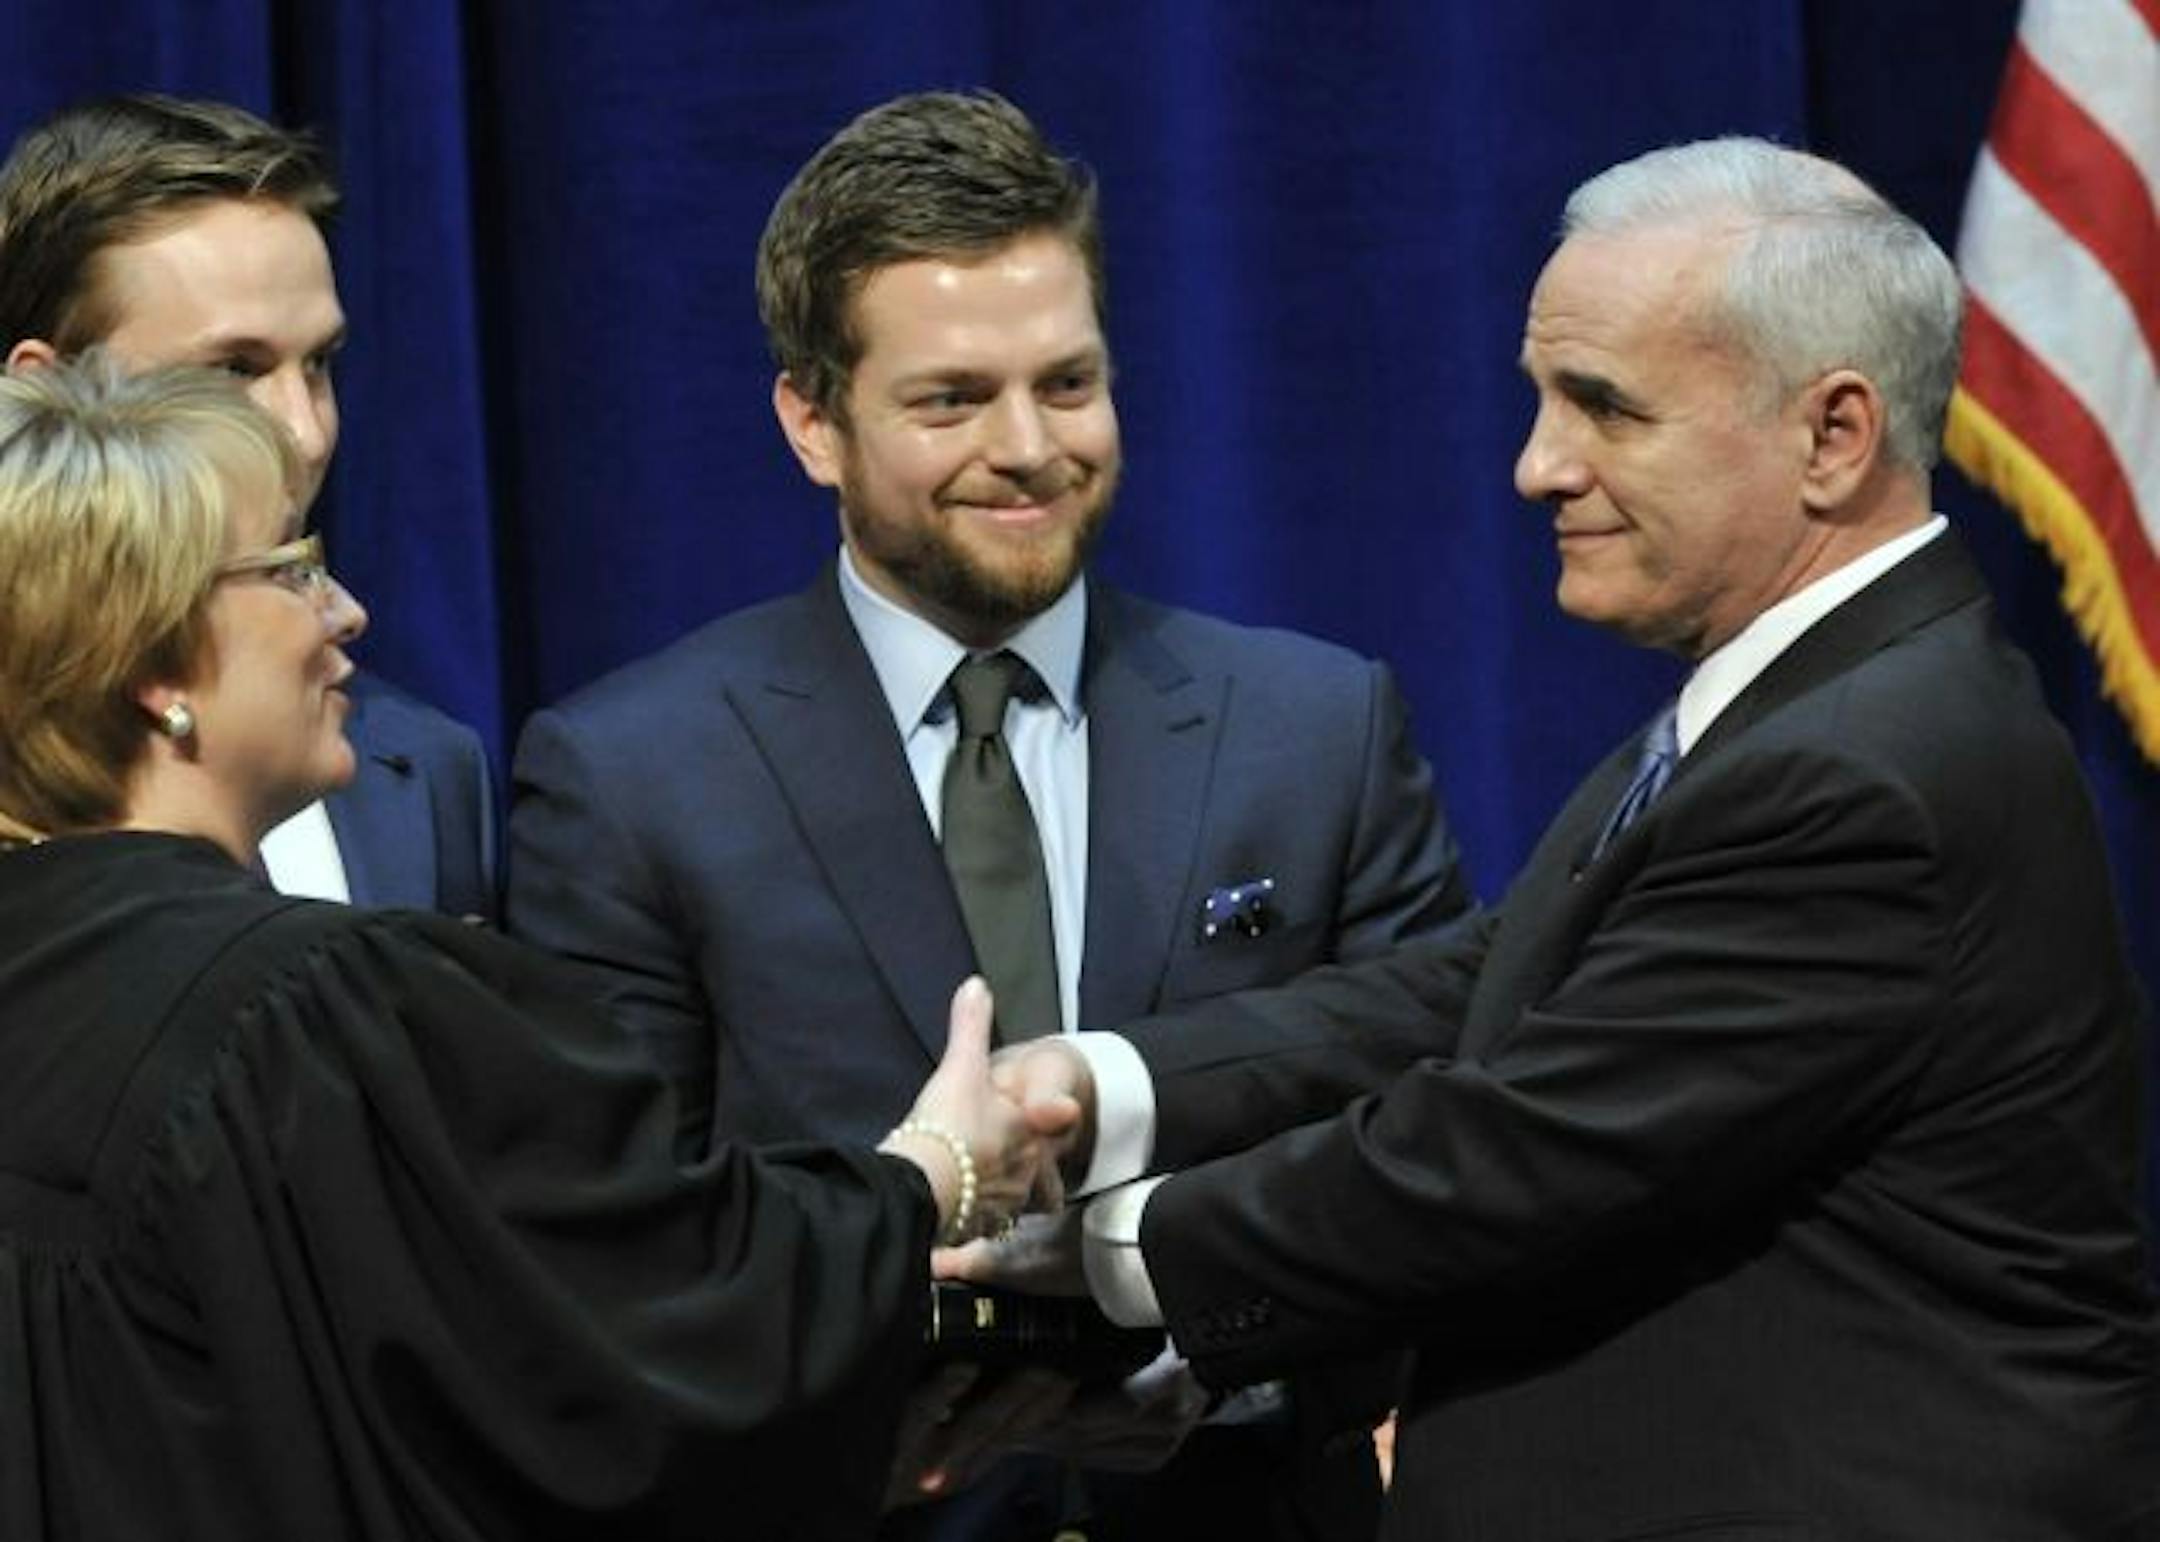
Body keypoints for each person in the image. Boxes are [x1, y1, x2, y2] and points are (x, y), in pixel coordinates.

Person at [960, 138, 2160, 1539]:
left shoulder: (1861, 776)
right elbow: (1493, 986)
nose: (1537, 467)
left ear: (1831, 436)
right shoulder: (1809, 706)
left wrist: (1100, 1252)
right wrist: (1103, 1084)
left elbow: (1514, 1153)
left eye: (1604, 407)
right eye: (1543, 400)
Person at [506, 90, 1473, 1541]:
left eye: (1068, 383)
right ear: (811, 421)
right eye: (951, 399)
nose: (1028, 447)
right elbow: (620, 1264)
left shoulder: (1317, 727)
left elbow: (1435, 1136)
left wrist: (1216, 1349)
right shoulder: (629, 774)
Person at [0, 353, 1072, 1540]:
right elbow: (641, 1335)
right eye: (291, 570)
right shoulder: (320, 1010)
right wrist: (935, 1173)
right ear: (157, 665)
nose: (345, 612)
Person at [0, 92, 495, 917]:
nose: (304, 434)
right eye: (232, 372)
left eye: (319, 364)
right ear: (48, 389)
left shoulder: (419, 765)